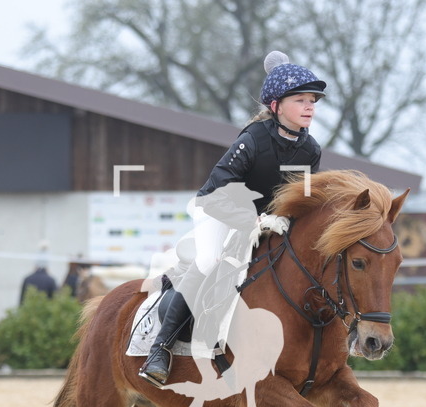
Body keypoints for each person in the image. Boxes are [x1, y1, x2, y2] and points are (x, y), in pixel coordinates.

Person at [138, 51, 324, 386]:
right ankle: (160, 349)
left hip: (268, 219)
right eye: (301, 100)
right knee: (209, 261)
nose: (310, 106)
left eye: (313, 100)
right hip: (217, 209)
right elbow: (218, 192)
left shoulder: (310, 150)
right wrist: (253, 220)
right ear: (277, 105)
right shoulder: (253, 140)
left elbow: (303, 199)